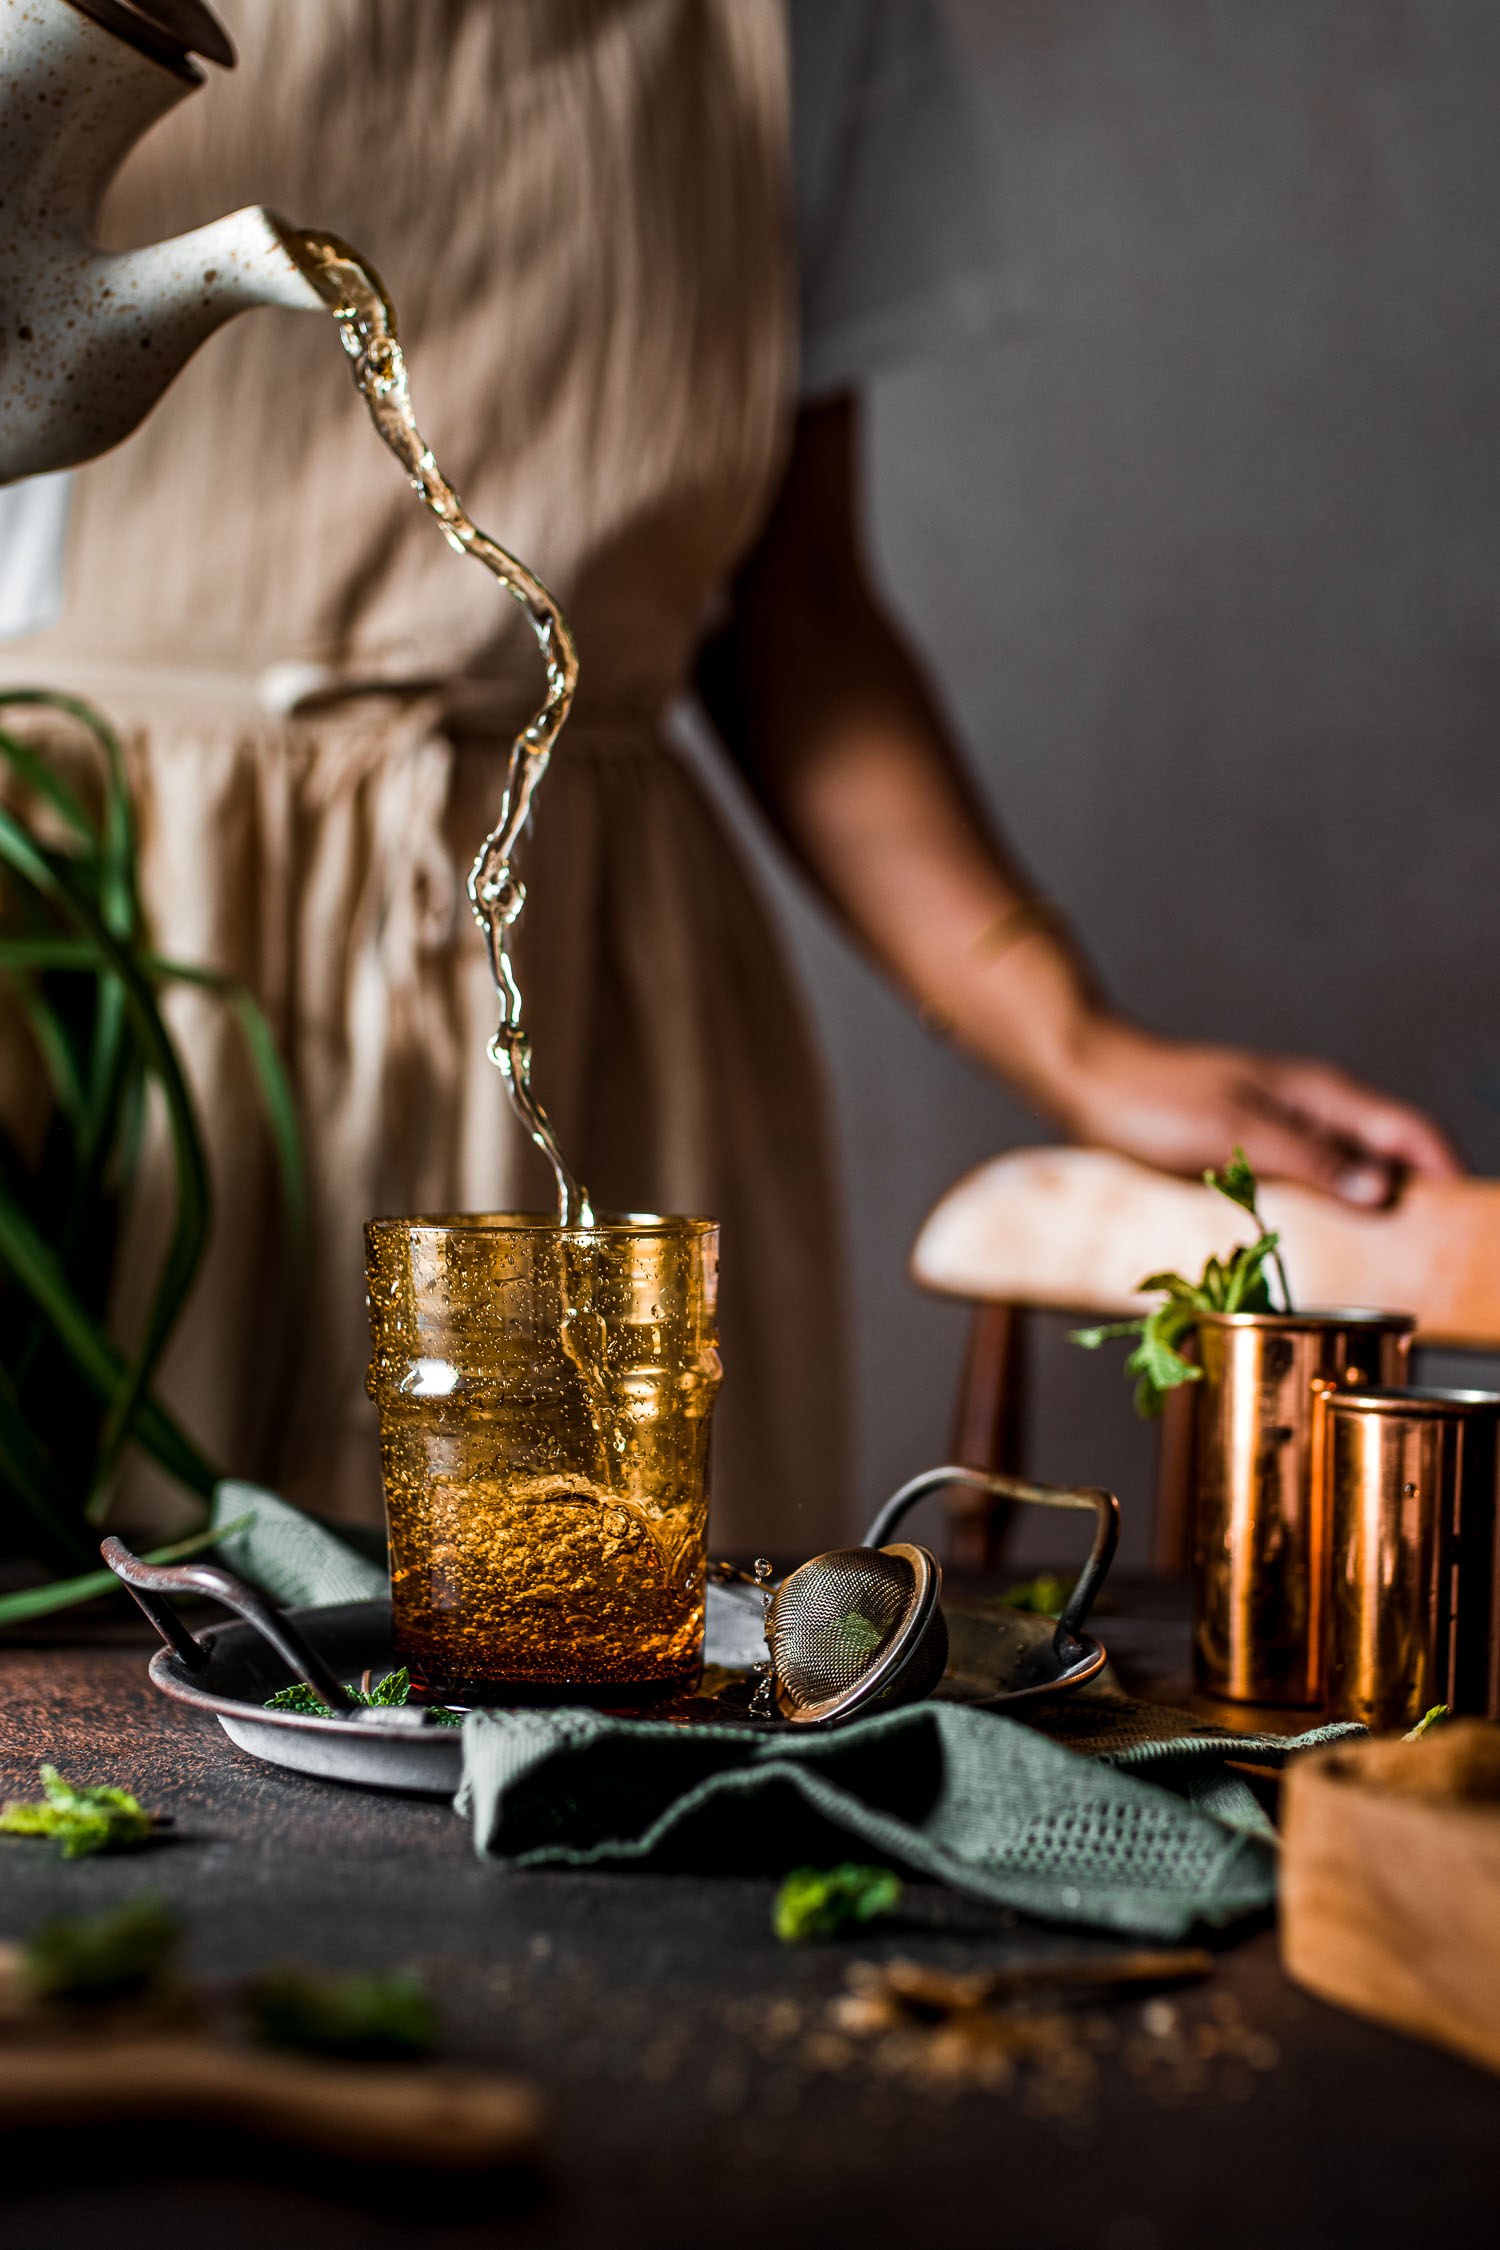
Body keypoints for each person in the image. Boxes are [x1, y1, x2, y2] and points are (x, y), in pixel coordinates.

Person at [0, 0, 1457, 1553]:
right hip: (105, 965)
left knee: (601, 1695)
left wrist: (1077, 1041)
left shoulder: (807, 22)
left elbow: (796, 611)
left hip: (585, 991)